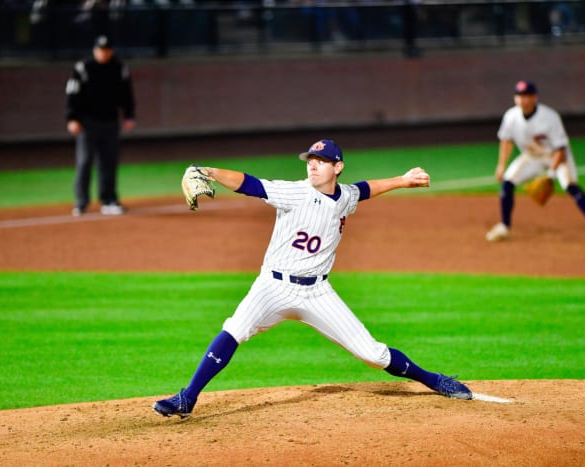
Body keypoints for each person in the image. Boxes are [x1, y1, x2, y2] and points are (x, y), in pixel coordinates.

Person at [153, 139, 472, 419]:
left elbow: (364, 189)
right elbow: (250, 184)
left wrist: (403, 180)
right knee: (234, 328)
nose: (313, 166)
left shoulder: (344, 196)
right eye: (311, 161)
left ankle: (434, 379)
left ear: (338, 167)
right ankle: (187, 398)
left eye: (321, 162)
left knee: (373, 354)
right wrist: (209, 171)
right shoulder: (294, 192)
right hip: (273, 287)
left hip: (317, 292)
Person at [486, 81, 585, 243]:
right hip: (532, 157)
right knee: (507, 184)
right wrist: (501, 165)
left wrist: (550, 175)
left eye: (527, 96)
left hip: (556, 156)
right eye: (519, 96)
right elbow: (506, 141)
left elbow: (560, 149)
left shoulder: (550, 117)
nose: (523, 100)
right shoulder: (511, 117)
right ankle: (504, 226)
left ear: (535, 98)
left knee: (571, 186)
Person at [65, 34, 136, 216]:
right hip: (87, 123)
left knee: (109, 162)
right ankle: (81, 202)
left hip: (110, 121)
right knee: (84, 161)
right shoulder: (83, 68)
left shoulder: (119, 67)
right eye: (100, 50)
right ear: (94, 50)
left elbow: (126, 94)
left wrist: (129, 115)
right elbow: (72, 93)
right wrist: (72, 118)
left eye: (106, 50)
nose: (103, 53)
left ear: (111, 51)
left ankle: (109, 200)